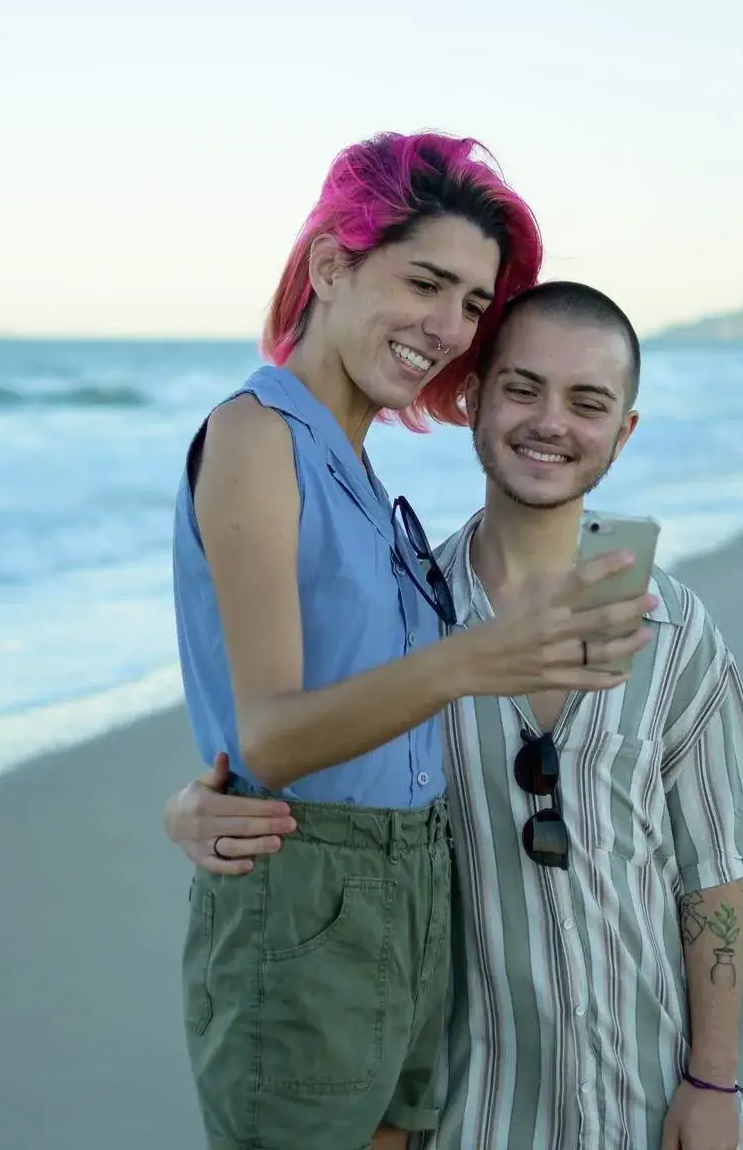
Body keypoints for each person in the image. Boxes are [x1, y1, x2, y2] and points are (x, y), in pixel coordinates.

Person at [169, 281, 743, 1150]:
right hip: (473, 1113)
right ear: (471, 399)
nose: (551, 422)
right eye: (522, 388)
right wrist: (199, 807)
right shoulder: (404, 628)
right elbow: (306, 767)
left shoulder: (675, 629)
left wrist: (714, 1082)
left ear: (623, 433)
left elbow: (713, 873)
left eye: (587, 403)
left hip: (650, 1104)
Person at [172, 133, 659, 1150]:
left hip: (414, 897)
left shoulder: (354, 466)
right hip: (308, 905)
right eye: (425, 283)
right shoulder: (257, 435)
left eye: (473, 304)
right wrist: (476, 661)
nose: (449, 329)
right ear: (330, 264)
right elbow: (267, 739)